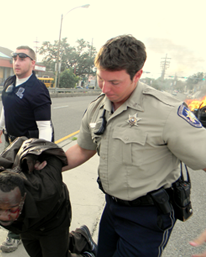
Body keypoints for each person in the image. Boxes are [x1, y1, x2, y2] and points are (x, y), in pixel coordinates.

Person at [62, 34, 206, 257]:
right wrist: (44, 166)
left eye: (114, 82)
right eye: (101, 78)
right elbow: (83, 148)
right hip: (112, 209)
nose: (104, 89)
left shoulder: (167, 112)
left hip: (148, 217)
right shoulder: (98, 107)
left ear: (137, 75)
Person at [0, 136, 98, 257]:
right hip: (26, 227)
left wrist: (35, 160)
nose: (4, 216)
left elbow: (54, 154)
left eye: (11, 209)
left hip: (53, 219)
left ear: (22, 202)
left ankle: (83, 242)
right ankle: (77, 238)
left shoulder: (46, 190)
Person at [0, 45, 54, 252]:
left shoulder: (38, 90)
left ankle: (17, 232)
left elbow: (45, 126)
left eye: (22, 58)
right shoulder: (10, 81)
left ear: (32, 63)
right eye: (14, 58)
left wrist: (40, 154)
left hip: (29, 147)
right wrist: (0, 127)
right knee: (12, 185)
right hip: (13, 143)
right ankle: (19, 228)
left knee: (22, 189)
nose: (16, 61)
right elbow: (5, 106)